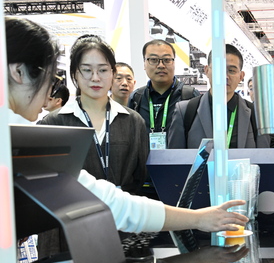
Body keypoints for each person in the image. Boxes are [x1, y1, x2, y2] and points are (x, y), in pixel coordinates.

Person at [6, 16, 246, 238]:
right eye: (50, 78)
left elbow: (113, 199)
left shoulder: (132, 121)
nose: (50, 91)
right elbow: (109, 201)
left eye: (102, 70)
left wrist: (199, 218)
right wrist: (198, 219)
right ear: (18, 72)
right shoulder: (30, 134)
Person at [39, 35, 149, 195]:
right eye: (87, 70)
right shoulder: (53, 123)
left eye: (103, 70)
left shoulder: (133, 121)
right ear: (75, 73)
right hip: (74, 214)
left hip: (125, 214)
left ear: (112, 73)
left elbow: (140, 175)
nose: (95, 78)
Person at [167, 44, 270, 149]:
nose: (225, 76)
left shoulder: (257, 116)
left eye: (231, 71)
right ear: (206, 71)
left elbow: (263, 160)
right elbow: (175, 161)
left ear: (241, 76)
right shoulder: (185, 112)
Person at [128, 39, 199, 149]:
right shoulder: (136, 99)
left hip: (179, 164)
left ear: (174, 63)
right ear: (144, 64)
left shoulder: (190, 97)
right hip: (144, 165)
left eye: (166, 60)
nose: (161, 65)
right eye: (153, 60)